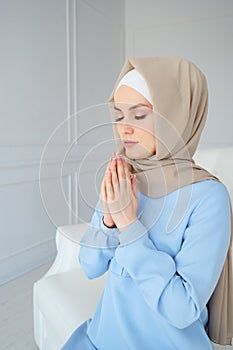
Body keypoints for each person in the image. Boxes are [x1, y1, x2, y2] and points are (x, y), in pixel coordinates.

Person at [61, 57, 233, 350]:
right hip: (101, 339)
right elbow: (90, 266)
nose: (123, 129)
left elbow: (182, 310)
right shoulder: (124, 175)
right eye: (119, 115)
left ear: (177, 117)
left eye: (139, 116)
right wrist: (109, 219)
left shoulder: (208, 197)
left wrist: (129, 225)